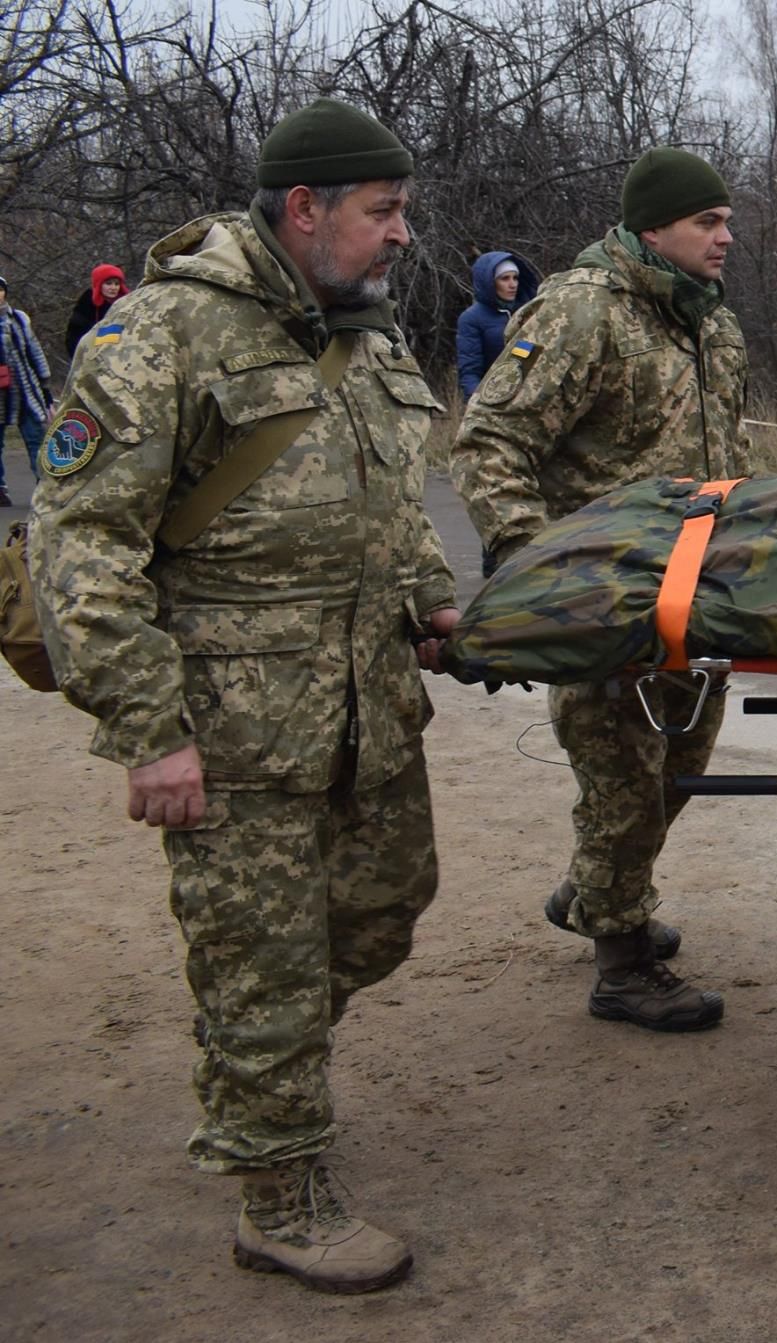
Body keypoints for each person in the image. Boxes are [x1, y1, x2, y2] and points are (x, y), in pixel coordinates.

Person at [28, 97, 459, 1293]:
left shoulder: (366, 339)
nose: (403, 234)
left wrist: (435, 601)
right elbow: (82, 548)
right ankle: (280, 1190)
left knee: (385, 904)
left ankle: (257, 1077)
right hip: (234, 736)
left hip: (367, 712)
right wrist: (149, 733)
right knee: (261, 960)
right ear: (305, 209)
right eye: (383, 211)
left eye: (405, 210)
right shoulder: (157, 336)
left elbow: (394, 508)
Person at [451, 146, 750, 1033]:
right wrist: (535, 562)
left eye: (727, 220)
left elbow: (728, 457)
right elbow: (491, 440)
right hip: (609, 601)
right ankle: (620, 963)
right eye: (708, 221)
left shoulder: (713, 325)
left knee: (677, 771)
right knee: (621, 777)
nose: (726, 236)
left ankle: (595, 892)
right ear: (653, 228)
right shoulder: (584, 312)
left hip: (698, 600)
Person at [454, 250, 538, 398]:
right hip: (493, 398)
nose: (512, 284)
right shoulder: (471, 318)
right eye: (505, 278)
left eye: (515, 278)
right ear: (490, 282)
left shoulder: (528, 312)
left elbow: (529, 355)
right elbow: (470, 369)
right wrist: (476, 405)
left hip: (530, 397)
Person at [0, 275, 54, 506]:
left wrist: (45, 384)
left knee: (36, 439)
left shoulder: (19, 319)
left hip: (24, 390)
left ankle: (46, 487)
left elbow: (34, 351)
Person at [65, 264, 130, 356]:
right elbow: (74, 336)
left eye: (117, 284)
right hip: (92, 356)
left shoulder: (127, 305)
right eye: (108, 283)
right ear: (99, 284)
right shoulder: (86, 305)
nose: (113, 288)